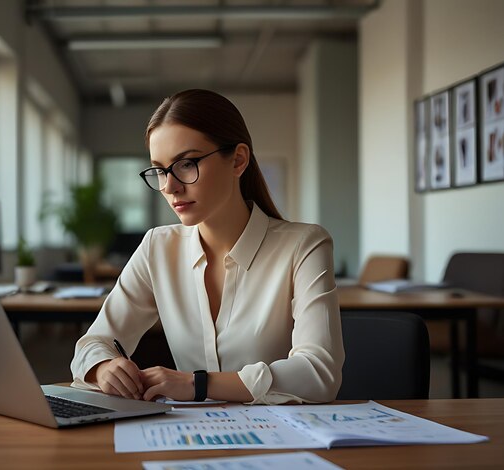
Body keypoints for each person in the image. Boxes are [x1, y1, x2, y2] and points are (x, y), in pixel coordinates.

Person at [70, 89, 344, 405]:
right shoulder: (157, 248)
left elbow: (319, 373)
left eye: (186, 164)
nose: (170, 186)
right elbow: (92, 343)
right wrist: (104, 367)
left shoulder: (304, 245)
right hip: (187, 436)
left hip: (281, 439)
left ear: (238, 160)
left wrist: (198, 384)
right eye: (159, 169)